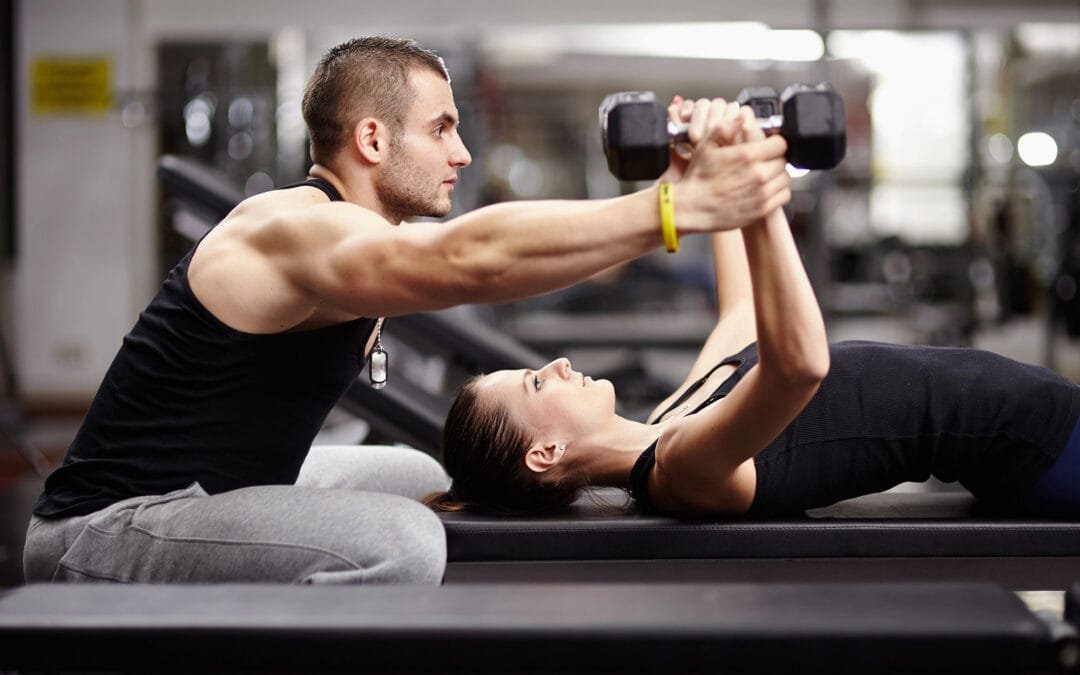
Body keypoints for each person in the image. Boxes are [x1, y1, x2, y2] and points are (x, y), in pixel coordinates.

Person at [23, 37, 793, 584]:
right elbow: (470, 259)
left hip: (215, 490)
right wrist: (674, 207)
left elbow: (523, 255)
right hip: (108, 525)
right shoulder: (292, 230)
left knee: (415, 471)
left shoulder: (354, 232)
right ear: (372, 138)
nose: (461, 154)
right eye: (441, 129)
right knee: (407, 541)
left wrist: (687, 191)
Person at [428, 96, 1080, 519]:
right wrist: (752, 186)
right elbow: (798, 367)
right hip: (1035, 444)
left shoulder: (670, 420)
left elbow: (740, 312)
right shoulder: (680, 468)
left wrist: (698, 179)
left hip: (1032, 413)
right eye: (535, 382)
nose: (557, 364)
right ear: (544, 453)